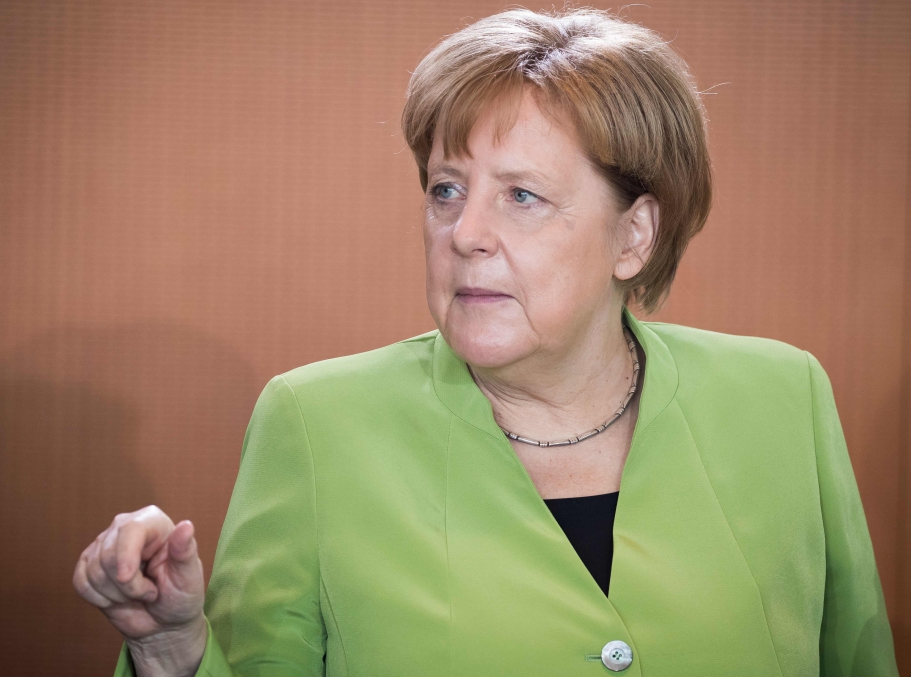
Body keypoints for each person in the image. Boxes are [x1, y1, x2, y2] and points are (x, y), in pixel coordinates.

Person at [73, 7, 898, 676]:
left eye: (523, 196)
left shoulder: (786, 398)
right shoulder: (315, 422)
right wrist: (171, 650)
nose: (464, 232)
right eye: (445, 189)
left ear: (634, 236)